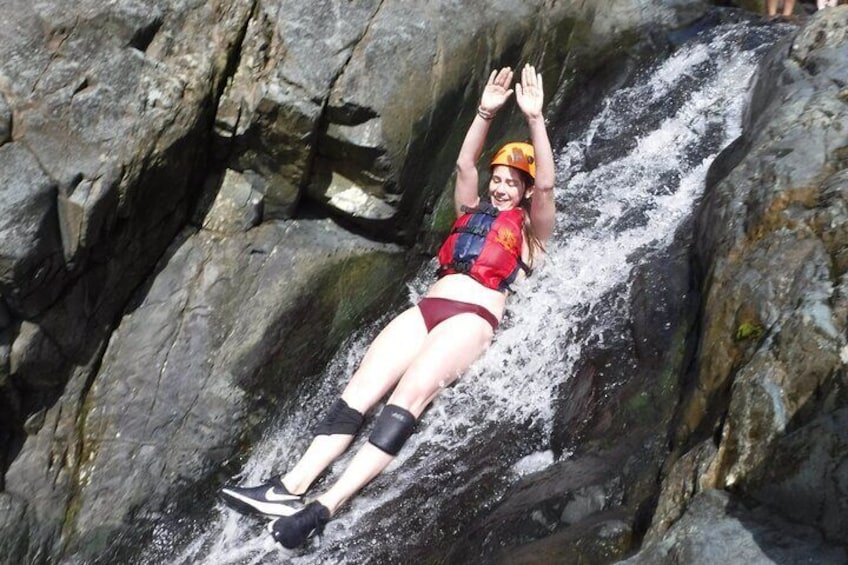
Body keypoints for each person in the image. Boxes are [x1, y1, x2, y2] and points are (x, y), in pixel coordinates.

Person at [219, 63, 556, 550]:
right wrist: (485, 111)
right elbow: (464, 166)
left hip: (471, 321)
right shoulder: (471, 210)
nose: (502, 186)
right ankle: (287, 488)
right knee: (359, 391)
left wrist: (534, 119)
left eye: (512, 182)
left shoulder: (530, 234)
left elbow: (546, 186)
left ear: (523, 191)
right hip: (428, 309)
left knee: (406, 400)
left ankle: (322, 507)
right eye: (499, 178)